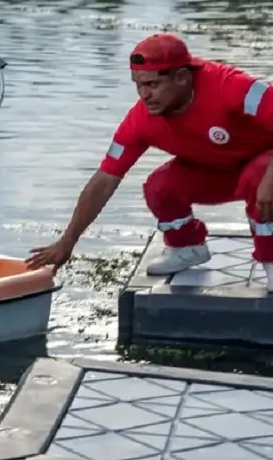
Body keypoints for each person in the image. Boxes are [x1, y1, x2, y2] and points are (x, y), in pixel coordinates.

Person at [26, 33, 273, 292]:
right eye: (138, 85)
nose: (144, 95)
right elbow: (104, 180)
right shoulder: (140, 121)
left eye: (152, 85)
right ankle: (187, 247)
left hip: (265, 167)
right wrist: (68, 241)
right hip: (224, 171)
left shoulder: (230, 87)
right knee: (159, 186)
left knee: (260, 178)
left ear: (182, 78)